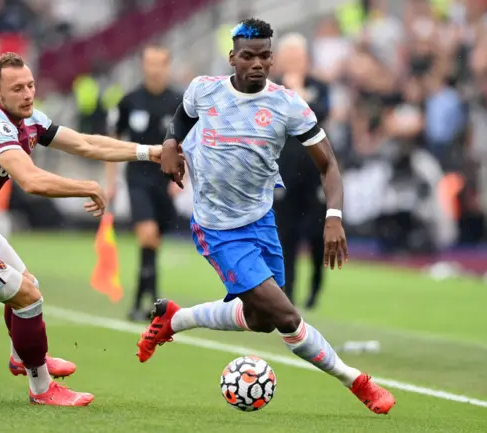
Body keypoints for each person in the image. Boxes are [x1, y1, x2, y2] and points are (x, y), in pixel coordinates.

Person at [135, 19, 395, 415]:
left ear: (272, 58)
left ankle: (175, 318)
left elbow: (330, 167)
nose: (257, 63)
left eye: (264, 56)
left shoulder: (288, 105)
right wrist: (171, 142)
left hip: (261, 221)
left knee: (261, 320)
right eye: (248, 56)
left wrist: (334, 218)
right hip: (218, 229)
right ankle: (356, 380)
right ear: (232, 57)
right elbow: (183, 115)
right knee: (287, 315)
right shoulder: (204, 90)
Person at [0, 52, 162, 407]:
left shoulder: (28, 119)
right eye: (17, 88)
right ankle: (42, 388)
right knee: (28, 297)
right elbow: (30, 180)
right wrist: (87, 186)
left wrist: (149, 152)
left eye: (30, 85)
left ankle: (23, 356)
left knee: (28, 285)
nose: (28, 93)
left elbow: (85, 143)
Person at [105, 44, 183, 322]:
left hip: (166, 180)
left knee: (153, 242)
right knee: (147, 235)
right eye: (149, 62)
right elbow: (112, 142)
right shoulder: (129, 100)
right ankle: (149, 303)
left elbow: (191, 142)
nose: (154, 68)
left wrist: (181, 176)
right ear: (143, 65)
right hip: (138, 177)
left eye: (159, 63)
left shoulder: (179, 101)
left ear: (167, 64)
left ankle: (144, 301)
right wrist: (110, 181)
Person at [273, 33, 332, 309]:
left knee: (316, 234)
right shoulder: (271, 89)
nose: (294, 62)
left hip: (314, 173)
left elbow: (318, 115)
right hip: (284, 173)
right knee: (286, 236)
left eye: (298, 56)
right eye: (289, 57)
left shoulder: (320, 86)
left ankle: (316, 285)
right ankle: (289, 295)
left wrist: (298, 91)